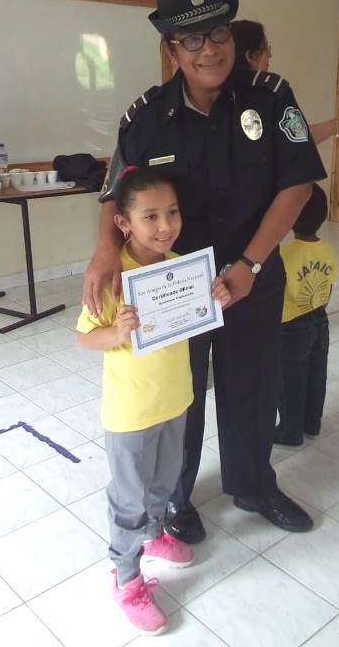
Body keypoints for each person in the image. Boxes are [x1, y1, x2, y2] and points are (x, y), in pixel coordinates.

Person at [83, 0, 327, 544]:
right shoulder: (146, 117)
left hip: (252, 274)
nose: (209, 49)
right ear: (172, 50)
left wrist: (251, 265)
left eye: (218, 33)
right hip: (173, 285)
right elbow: (116, 191)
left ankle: (254, 485)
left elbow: (297, 185)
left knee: (254, 383)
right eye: (191, 40)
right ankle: (176, 496)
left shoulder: (270, 96)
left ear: (232, 36)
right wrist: (105, 247)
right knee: (180, 392)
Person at [77, 166, 230, 635]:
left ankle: (155, 533)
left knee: (165, 480)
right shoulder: (112, 277)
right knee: (129, 497)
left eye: (172, 212)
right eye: (150, 217)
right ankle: (126, 579)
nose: (166, 226)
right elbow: (85, 337)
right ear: (123, 224)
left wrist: (215, 297)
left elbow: (196, 316)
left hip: (175, 399)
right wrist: (116, 332)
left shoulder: (181, 266)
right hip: (131, 413)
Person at [273, 183, 338, 446]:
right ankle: (313, 422)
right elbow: (329, 288)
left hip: (291, 328)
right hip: (321, 321)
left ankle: (290, 431)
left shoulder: (285, 255)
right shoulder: (328, 250)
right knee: (316, 375)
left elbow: (278, 294)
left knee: (290, 381)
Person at [230, 19, 339, 143]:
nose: (270, 55)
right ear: (251, 56)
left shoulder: (223, 95)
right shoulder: (272, 91)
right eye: (266, 49)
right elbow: (298, 137)